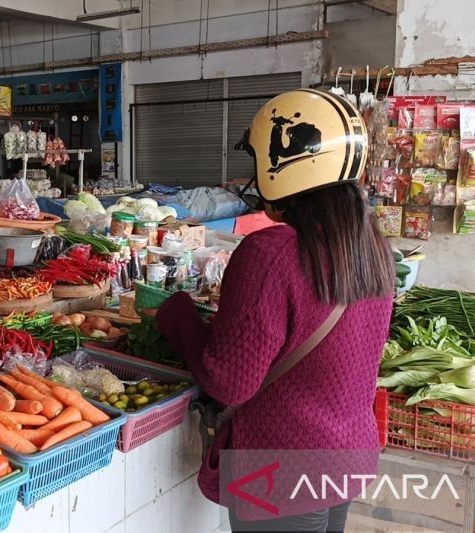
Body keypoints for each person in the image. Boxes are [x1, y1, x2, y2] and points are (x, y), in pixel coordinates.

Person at [150, 90, 394, 532]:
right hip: (349, 454)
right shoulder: (372, 246)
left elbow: (230, 381)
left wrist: (177, 314)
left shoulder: (270, 252)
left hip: (280, 466)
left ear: (283, 167)